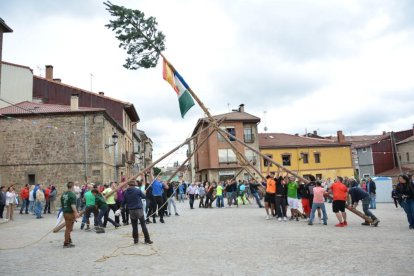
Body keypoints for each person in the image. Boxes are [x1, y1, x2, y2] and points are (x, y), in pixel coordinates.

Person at [121, 179, 153, 244]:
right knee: (143, 225)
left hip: (131, 211)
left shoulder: (126, 192)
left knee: (134, 226)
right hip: (139, 210)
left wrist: (120, 209)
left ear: (129, 185)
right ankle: (147, 239)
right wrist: (144, 192)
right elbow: (144, 197)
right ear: (134, 185)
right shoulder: (137, 190)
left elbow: (123, 202)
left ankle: (136, 240)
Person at [60, 182, 80, 248]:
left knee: (69, 227)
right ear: (72, 187)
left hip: (65, 212)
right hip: (69, 213)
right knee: (69, 228)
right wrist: (76, 213)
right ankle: (66, 243)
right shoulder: (72, 194)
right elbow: (73, 205)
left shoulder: (63, 194)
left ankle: (69, 239)